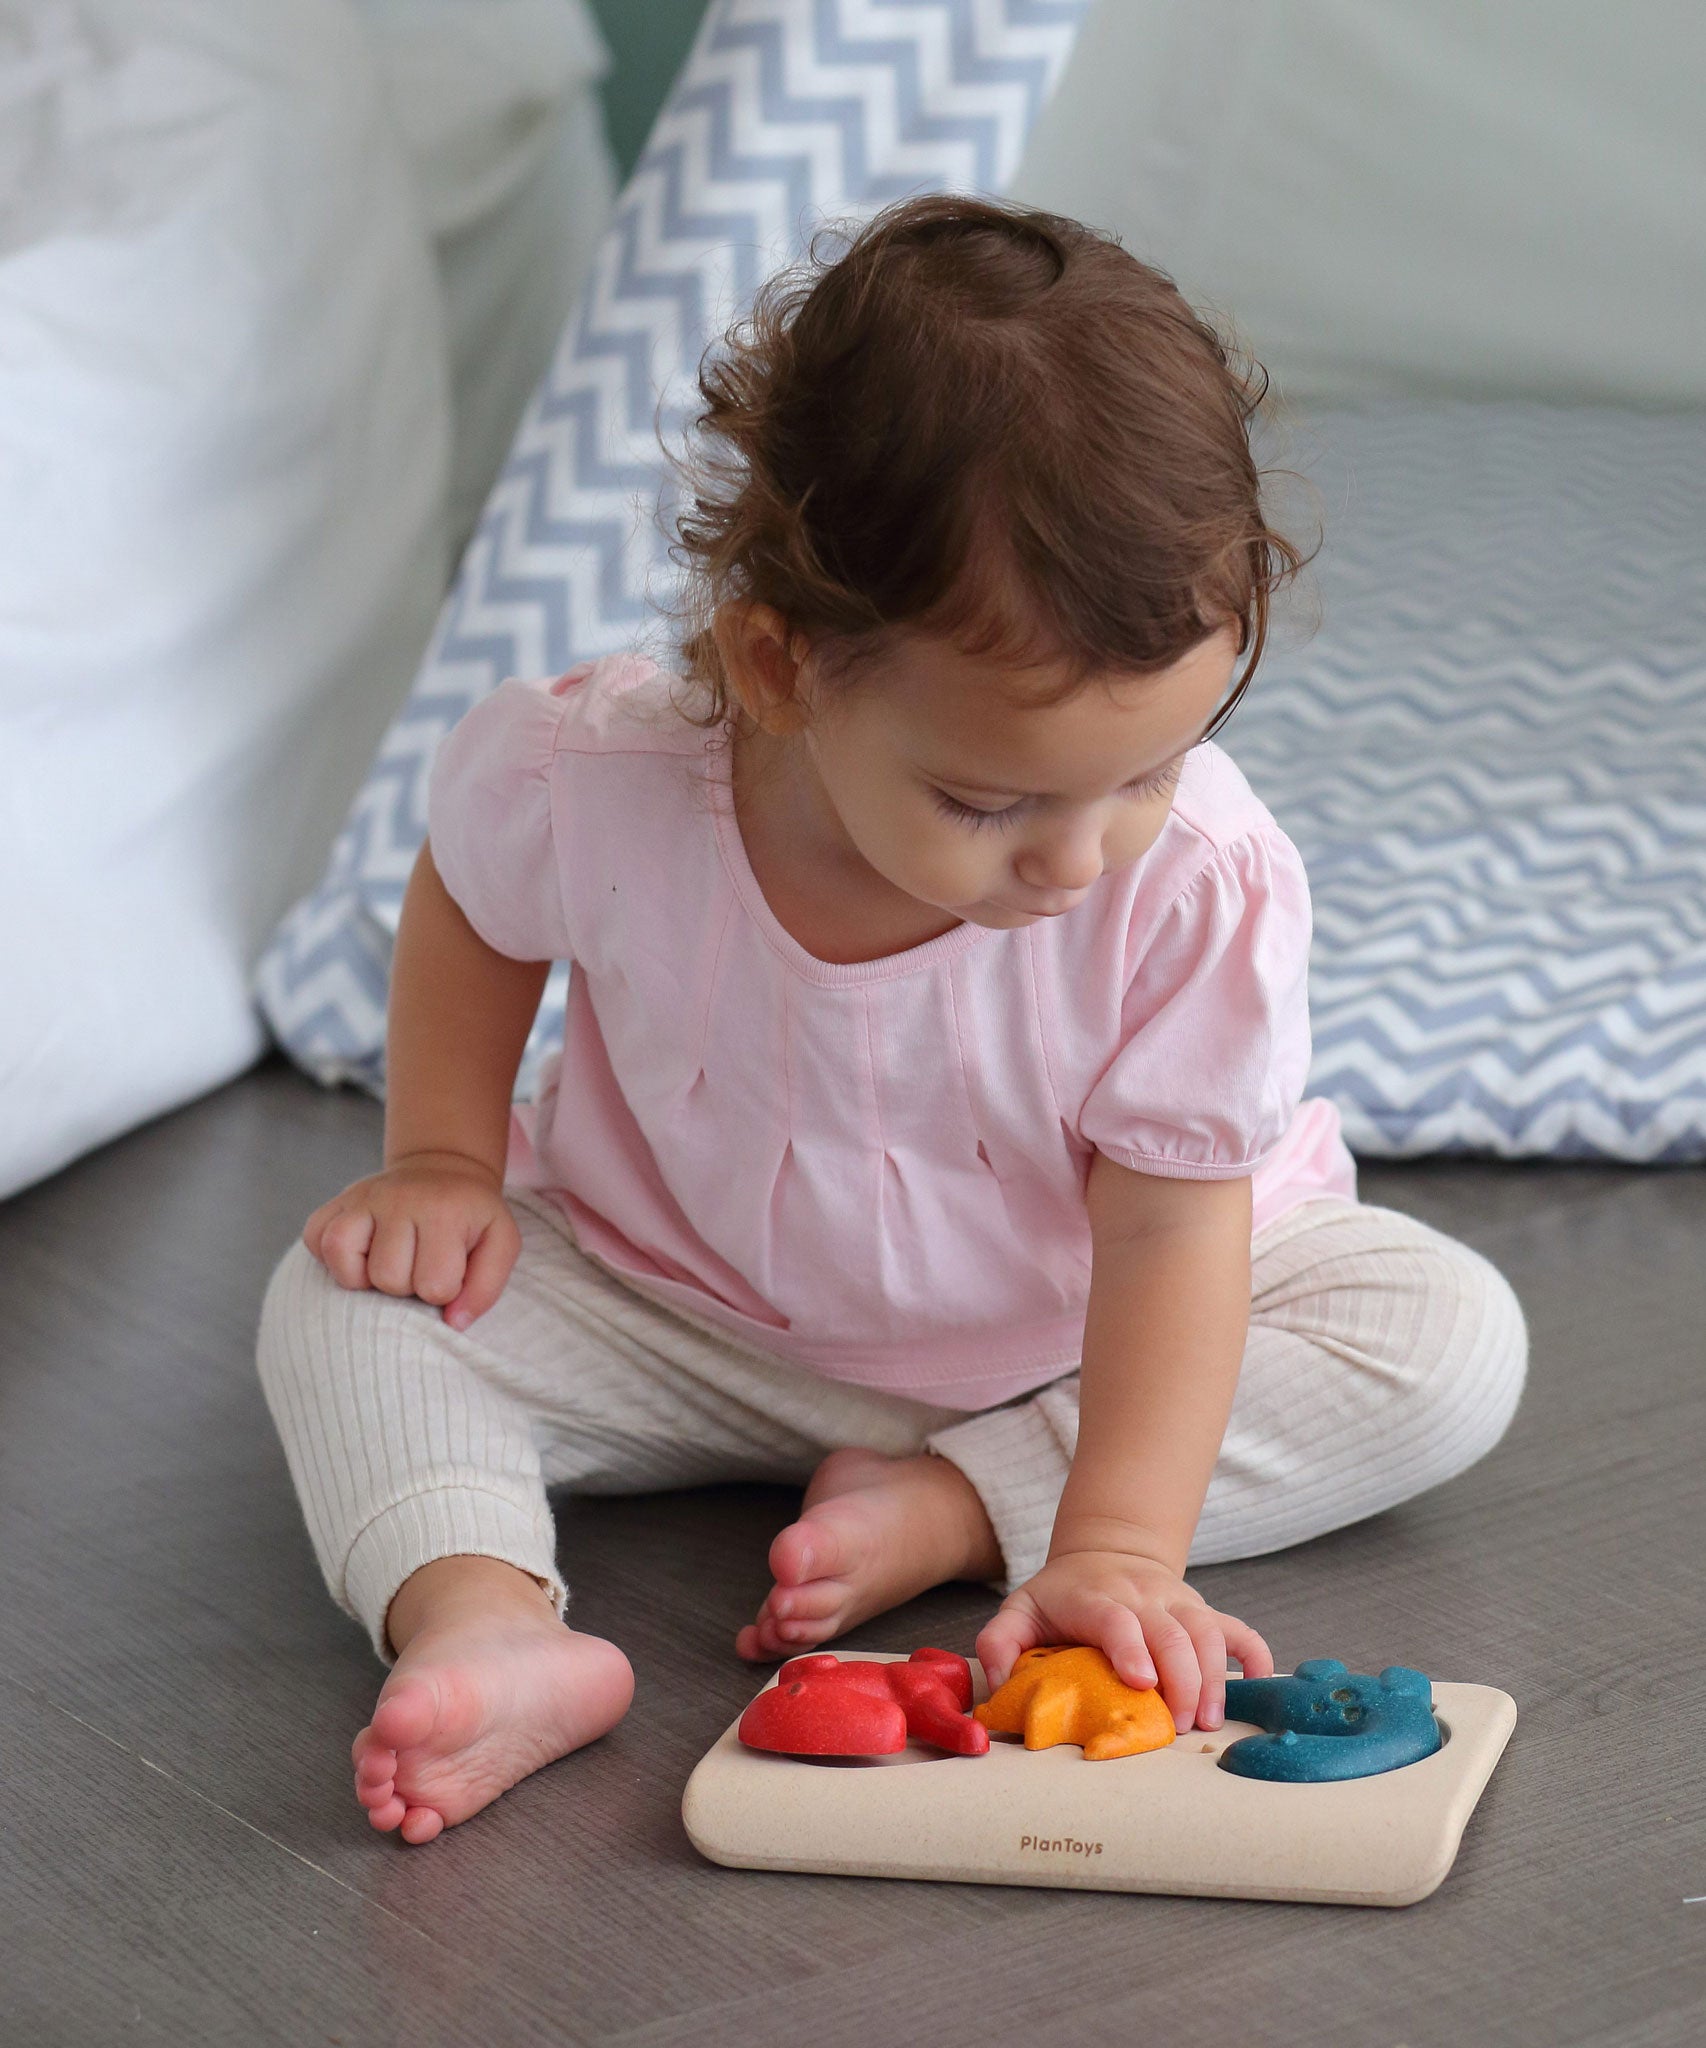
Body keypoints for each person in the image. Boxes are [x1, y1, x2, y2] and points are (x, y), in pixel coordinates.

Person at [256, 195, 1528, 1846]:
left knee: (1445, 1345)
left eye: (1145, 772)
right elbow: (474, 906)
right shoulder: (598, 783)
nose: (1077, 861)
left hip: (1079, 1332)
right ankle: (485, 1619)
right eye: (989, 800)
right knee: (344, 1295)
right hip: (680, 1305)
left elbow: (1165, 1233)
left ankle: (956, 1504)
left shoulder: (1196, 879)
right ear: (779, 667)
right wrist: (437, 1155)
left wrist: (1118, 1546)